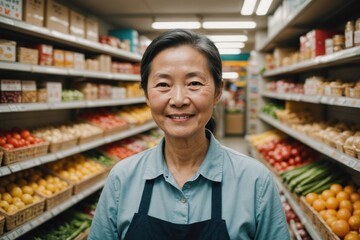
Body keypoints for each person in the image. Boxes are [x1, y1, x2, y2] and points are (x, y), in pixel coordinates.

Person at [88, 29, 290, 240]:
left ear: (218, 92)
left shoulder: (255, 181)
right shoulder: (122, 179)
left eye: (194, 83)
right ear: (146, 94)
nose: (178, 99)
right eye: (163, 84)